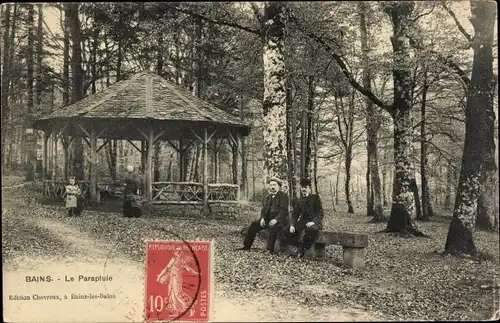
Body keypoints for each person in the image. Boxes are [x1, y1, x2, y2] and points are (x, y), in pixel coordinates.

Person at [238, 176, 289, 252]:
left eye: (274, 185)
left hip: (280, 221)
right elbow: (264, 209)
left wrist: (276, 220)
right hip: (268, 220)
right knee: (254, 224)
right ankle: (246, 246)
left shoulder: (284, 196)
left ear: (279, 186)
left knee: (273, 227)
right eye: (271, 185)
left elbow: (284, 211)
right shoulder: (268, 197)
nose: (272, 187)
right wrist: (262, 218)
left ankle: (269, 249)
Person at [282, 178, 324, 258]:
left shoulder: (315, 198)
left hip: (315, 223)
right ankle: (298, 245)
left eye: (306, 187)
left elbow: (320, 213)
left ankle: (302, 248)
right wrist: (292, 224)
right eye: (302, 187)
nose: (303, 189)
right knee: (286, 230)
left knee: (312, 230)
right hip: (303, 223)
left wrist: (313, 222)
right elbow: (295, 214)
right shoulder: (299, 200)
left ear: (309, 188)